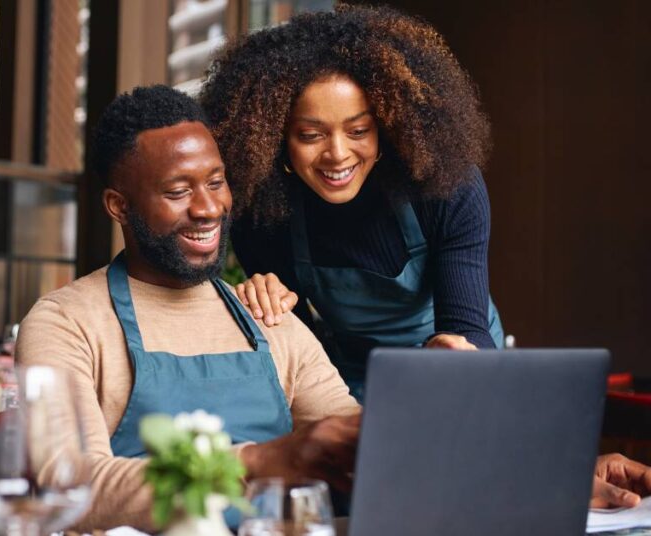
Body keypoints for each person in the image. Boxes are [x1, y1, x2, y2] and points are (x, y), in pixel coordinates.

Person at [17, 85, 651, 532]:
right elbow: (68, 483)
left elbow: (380, 450)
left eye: (216, 183)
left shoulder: (268, 318)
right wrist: (267, 460)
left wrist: (550, 473)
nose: (209, 209)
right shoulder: (68, 322)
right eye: (178, 192)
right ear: (118, 206)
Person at [199, 5, 504, 399]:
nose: (338, 154)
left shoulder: (445, 187)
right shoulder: (263, 213)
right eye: (311, 135)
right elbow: (301, 353)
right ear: (275, 140)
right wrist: (268, 308)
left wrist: (454, 352)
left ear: (387, 127)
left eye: (359, 130)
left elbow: (467, 326)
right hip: (352, 377)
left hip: (456, 365)